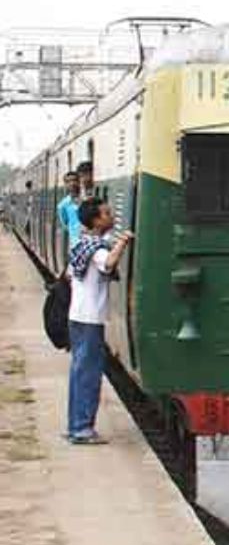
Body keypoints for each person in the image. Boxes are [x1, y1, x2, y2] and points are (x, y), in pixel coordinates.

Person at [65, 197, 133, 445]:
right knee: (88, 375)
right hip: (90, 319)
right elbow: (108, 262)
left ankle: (75, 424)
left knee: (78, 373)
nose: (111, 215)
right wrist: (123, 241)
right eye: (107, 213)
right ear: (96, 220)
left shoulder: (82, 243)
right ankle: (82, 429)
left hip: (78, 316)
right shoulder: (96, 247)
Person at [55, 171, 82, 250]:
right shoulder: (62, 205)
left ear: (78, 182)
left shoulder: (86, 200)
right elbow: (65, 225)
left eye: (74, 180)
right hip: (75, 244)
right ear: (65, 185)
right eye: (68, 181)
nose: (72, 183)